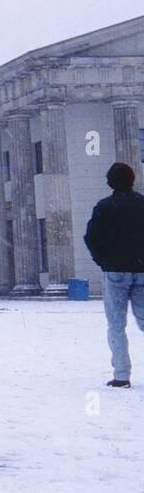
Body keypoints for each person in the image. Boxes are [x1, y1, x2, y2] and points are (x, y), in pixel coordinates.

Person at [83, 162, 144, 388]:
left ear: (110, 182)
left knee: (116, 325)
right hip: (142, 270)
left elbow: (91, 237)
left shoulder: (105, 207)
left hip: (115, 270)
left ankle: (121, 375)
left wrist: (103, 260)